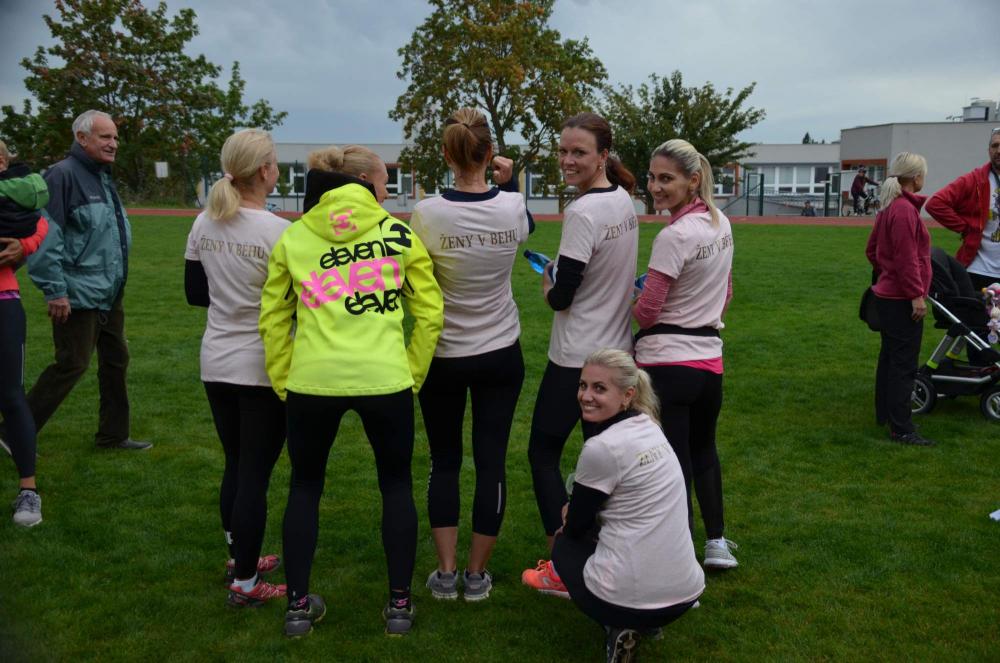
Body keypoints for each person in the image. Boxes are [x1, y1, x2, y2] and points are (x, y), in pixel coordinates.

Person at [260, 145, 443, 637]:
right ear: (365, 183)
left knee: (304, 486)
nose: (386, 190)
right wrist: (412, 372)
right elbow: (429, 312)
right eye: (384, 182)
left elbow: (273, 317)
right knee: (396, 485)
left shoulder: (296, 235)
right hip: (385, 377)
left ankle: (298, 608)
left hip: (312, 379)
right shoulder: (397, 233)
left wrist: (283, 377)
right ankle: (399, 606)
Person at [409, 108, 533, 602]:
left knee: (444, 461)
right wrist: (508, 180)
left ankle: (445, 573)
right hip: (500, 352)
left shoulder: (427, 213)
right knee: (491, 462)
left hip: (444, 353)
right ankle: (477, 575)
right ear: (489, 153)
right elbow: (524, 227)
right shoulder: (513, 206)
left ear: (446, 154)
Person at [522, 349, 704, 663]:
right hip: (686, 593)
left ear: (627, 395)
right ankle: (648, 622)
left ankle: (619, 624)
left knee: (564, 544)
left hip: (633, 598)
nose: (586, 396)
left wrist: (569, 513)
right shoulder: (650, 427)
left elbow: (576, 526)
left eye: (599, 388)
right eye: (582, 385)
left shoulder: (602, 447)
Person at [526, 112, 639, 558]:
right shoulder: (623, 200)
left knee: (543, 454)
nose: (567, 160)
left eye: (579, 152)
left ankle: (563, 555)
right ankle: (607, 549)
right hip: (618, 354)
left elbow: (563, 297)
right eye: (562, 151)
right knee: (604, 461)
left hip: (577, 359)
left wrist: (547, 284)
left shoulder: (583, 212)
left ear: (603, 155)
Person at [184, 129, 289, 605]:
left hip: (216, 360)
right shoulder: (278, 231)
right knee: (254, 476)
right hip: (261, 365)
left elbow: (195, 293)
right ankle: (246, 582)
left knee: (236, 464)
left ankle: (238, 556)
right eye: (275, 162)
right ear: (265, 171)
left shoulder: (204, 222)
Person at [632, 139, 738, 569]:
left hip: (667, 365)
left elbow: (648, 312)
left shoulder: (673, 236)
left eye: (666, 179)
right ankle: (716, 543)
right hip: (709, 362)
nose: (655, 187)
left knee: (674, 464)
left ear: (693, 181)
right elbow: (726, 292)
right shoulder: (720, 222)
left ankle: (680, 561)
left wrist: (630, 300)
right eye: (652, 177)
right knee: (704, 451)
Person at [24, 110, 150, 450]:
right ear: (81, 138)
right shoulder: (62, 176)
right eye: (105, 137)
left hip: (109, 292)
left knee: (116, 360)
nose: (113, 144)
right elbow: (46, 239)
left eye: (115, 138)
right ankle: (15, 432)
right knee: (72, 363)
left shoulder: (102, 176)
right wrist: (56, 291)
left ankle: (113, 435)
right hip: (77, 293)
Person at [865, 152, 934, 446]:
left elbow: (872, 250)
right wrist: (916, 295)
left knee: (890, 359)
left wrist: (886, 273)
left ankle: (887, 415)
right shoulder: (905, 210)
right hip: (901, 299)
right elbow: (908, 259)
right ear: (916, 178)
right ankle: (902, 428)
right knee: (903, 365)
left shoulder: (889, 208)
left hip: (888, 296)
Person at [0, 140, 50, 526]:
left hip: (3, 302)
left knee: (11, 395)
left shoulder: (15, 193)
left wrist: (25, 245)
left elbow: (42, 222)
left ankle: (28, 491)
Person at [926, 127, 1000, 292]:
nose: (999, 150)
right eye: (995, 146)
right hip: (979, 270)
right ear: (988, 150)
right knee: (976, 309)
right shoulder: (975, 179)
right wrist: (966, 227)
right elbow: (935, 204)